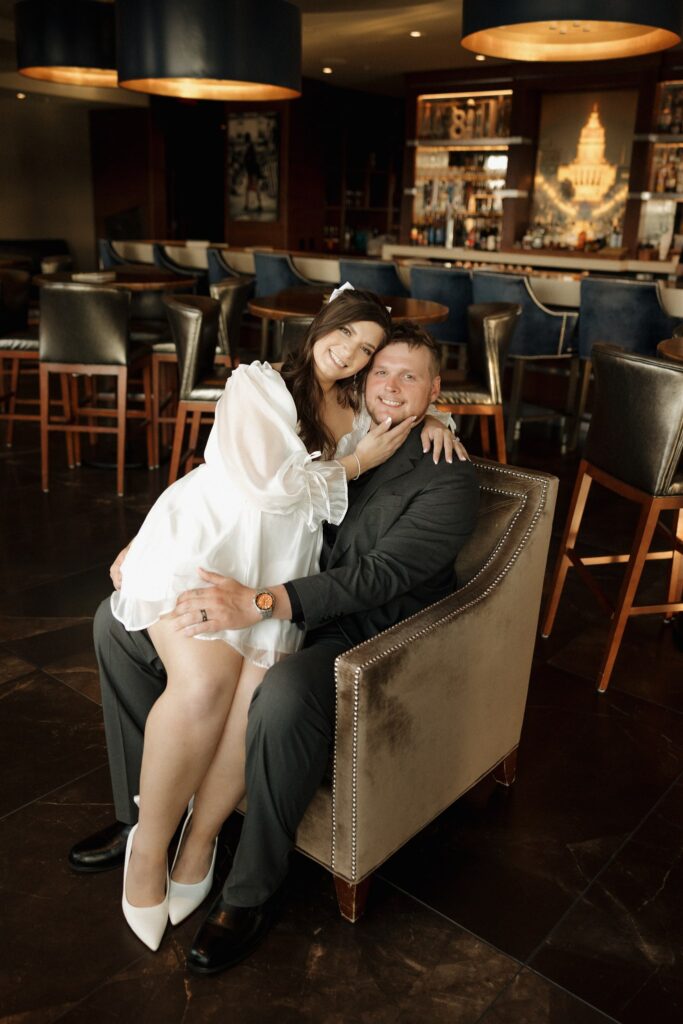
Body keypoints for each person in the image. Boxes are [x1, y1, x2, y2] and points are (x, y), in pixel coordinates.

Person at [72, 289, 464, 953]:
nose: (358, 359)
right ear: (325, 327)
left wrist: (440, 420)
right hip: (225, 550)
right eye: (354, 342)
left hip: (288, 576)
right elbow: (252, 484)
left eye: (372, 353)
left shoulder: (377, 424)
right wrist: (152, 537)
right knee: (167, 660)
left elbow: (399, 401)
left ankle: (207, 851)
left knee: (254, 694)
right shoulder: (264, 386)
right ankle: (145, 836)